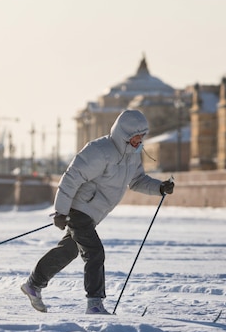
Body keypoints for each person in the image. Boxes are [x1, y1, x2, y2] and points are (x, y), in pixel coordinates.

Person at [21, 109, 174, 314]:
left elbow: (137, 181)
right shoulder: (100, 150)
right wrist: (60, 211)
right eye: (136, 136)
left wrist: (159, 188)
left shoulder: (133, 155)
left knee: (69, 250)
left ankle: (33, 284)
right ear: (124, 134)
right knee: (94, 252)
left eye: (142, 136)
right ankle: (94, 303)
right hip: (79, 209)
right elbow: (71, 177)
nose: (140, 140)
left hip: (92, 214)